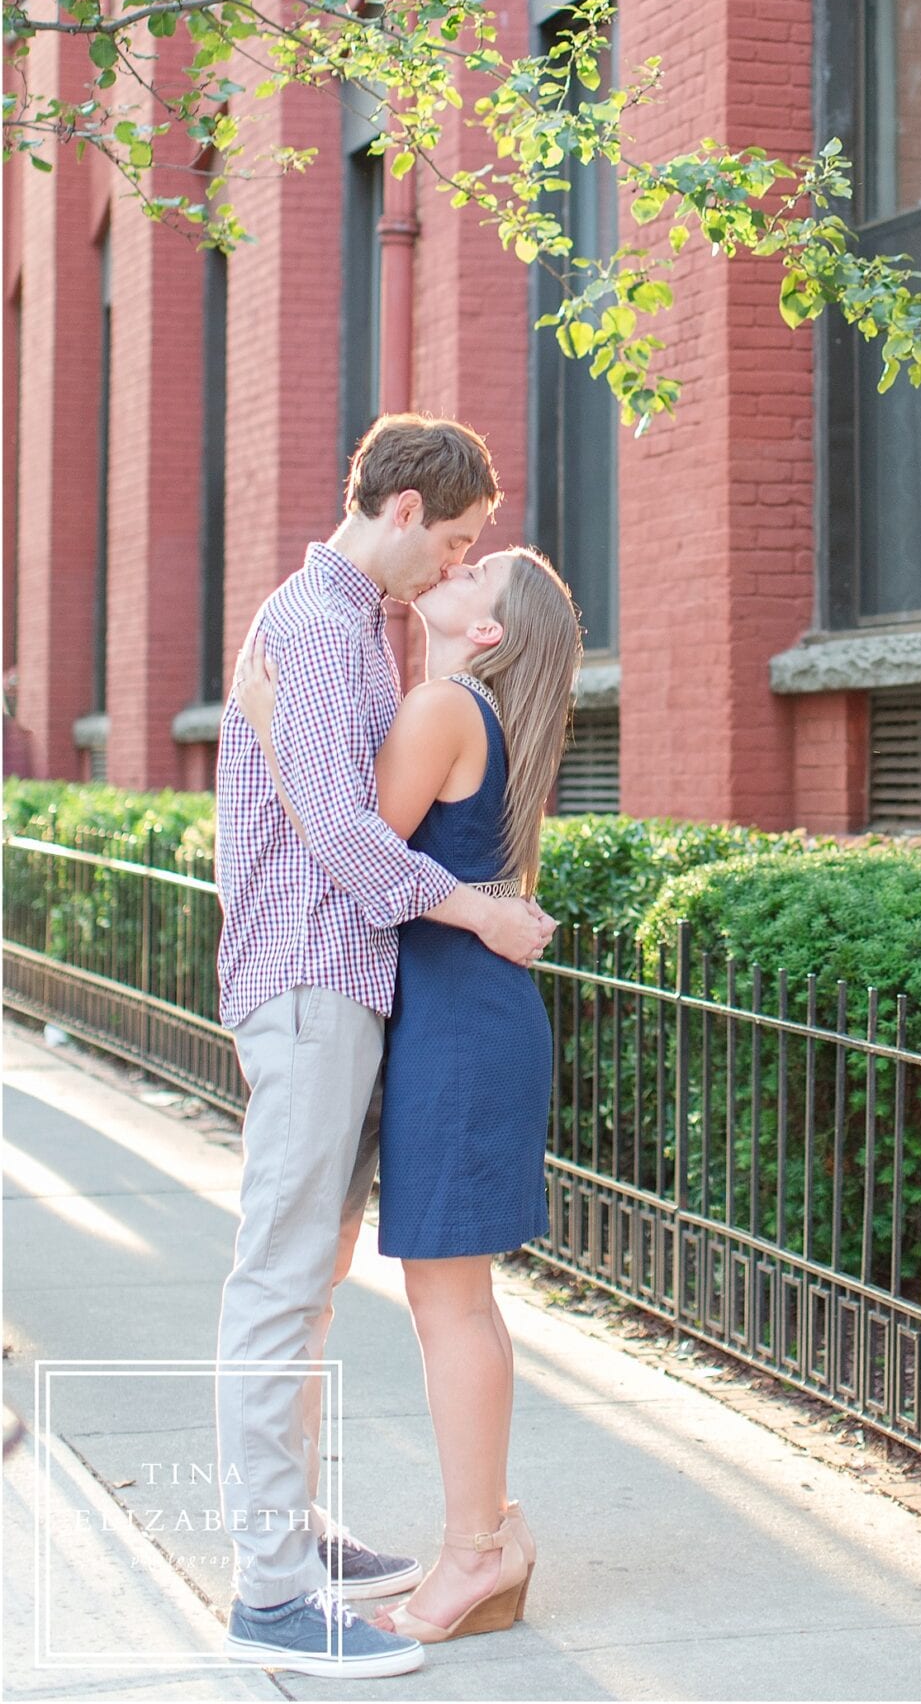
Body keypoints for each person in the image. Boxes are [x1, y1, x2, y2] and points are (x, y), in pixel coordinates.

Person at [215, 413, 557, 1682]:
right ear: (408, 512)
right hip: (309, 986)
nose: (458, 562)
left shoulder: (350, 630)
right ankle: (268, 1590)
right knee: (281, 1281)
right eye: (458, 541)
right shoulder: (313, 631)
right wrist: (486, 913)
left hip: (346, 990)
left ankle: (292, 1535)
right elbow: (344, 844)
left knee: (308, 1278)